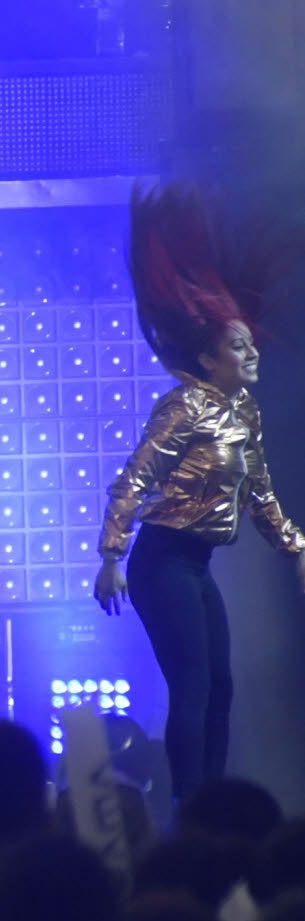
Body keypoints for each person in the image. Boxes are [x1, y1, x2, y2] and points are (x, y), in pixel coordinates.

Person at [95, 184, 299, 796]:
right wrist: (110, 557)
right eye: (239, 346)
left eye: (249, 342)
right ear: (210, 360)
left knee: (221, 688)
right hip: (162, 561)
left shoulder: (245, 413)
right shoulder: (184, 406)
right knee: (193, 685)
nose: (252, 351)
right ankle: (189, 807)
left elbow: (260, 492)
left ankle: (208, 801)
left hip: (198, 563)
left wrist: (295, 548)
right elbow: (135, 476)